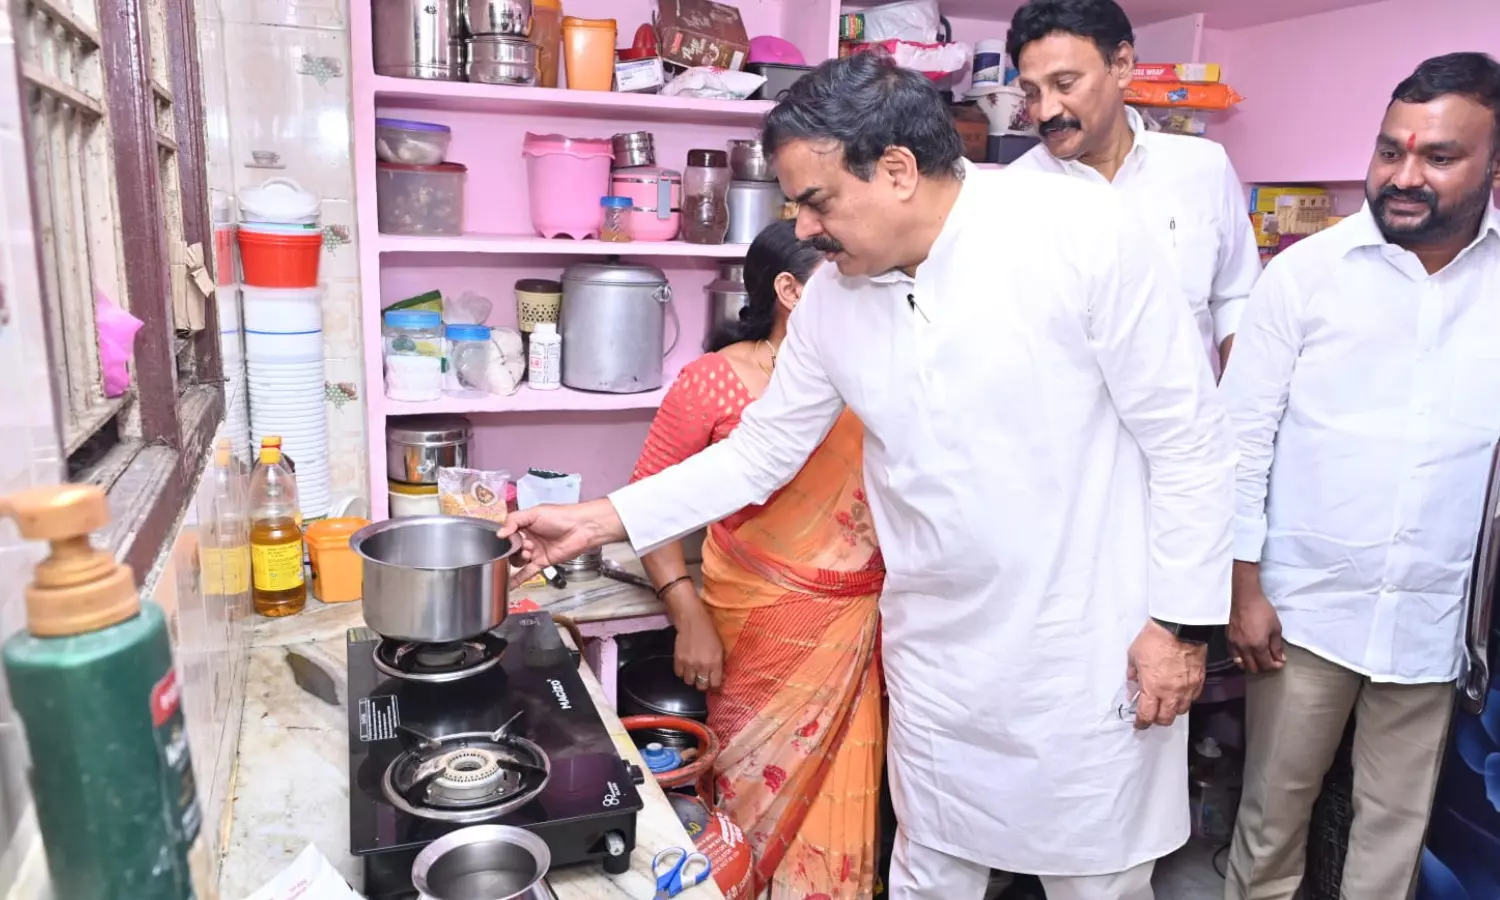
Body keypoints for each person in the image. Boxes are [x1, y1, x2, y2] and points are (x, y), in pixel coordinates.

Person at [500, 53, 1235, 900]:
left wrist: (1177, 627)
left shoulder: (1078, 231)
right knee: (930, 872)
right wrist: (597, 519)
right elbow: (758, 453)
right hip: (939, 660)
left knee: (1093, 883)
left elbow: (1189, 440)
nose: (805, 229)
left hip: (1082, 646)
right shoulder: (839, 301)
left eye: (817, 201)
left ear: (895, 171)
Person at [1220, 52, 1500, 900]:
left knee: (1396, 831)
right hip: (1303, 610)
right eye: (1389, 151)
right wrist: (1242, 587)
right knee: (1272, 819)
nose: (1403, 176)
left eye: (1438, 157)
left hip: (1434, 616)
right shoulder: (1306, 274)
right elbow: (1239, 441)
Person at [631, 219, 885, 899]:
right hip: (753, 624)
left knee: (840, 807)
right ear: (791, 291)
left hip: (859, 625)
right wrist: (686, 613)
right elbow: (646, 501)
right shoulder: (714, 381)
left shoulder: (873, 374)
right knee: (747, 806)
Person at [1004, 0, 1260, 374]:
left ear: (1121, 65)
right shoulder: (1011, 195)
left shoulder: (1203, 167)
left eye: (1064, 84)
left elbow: (1236, 296)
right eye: (1031, 91)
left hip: (1190, 427)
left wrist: (1236, 405)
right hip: (1066, 430)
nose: (1044, 111)